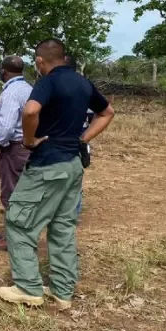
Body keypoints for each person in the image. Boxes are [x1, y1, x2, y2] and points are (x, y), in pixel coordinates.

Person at [0, 39, 114, 311]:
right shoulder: (83, 82)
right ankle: (62, 292)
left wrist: (29, 140)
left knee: (19, 223)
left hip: (47, 164)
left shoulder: (47, 82)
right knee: (62, 227)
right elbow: (107, 112)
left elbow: (30, 110)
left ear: (40, 61)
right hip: (73, 164)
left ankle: (28, 288)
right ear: (65, 57)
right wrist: (81, 139)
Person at [0, 56, 33, 251]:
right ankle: (24, 232)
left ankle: (12, 238)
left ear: (3, 71)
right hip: (28, 148)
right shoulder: (29, 89)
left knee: (11, 193)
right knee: (25, 192)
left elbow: (5, 127)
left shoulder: (11, 93)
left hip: (13, 149)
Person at [65, 55, 93, 217]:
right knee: (75, 178)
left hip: (65, 140)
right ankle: (72, 213)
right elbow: (96, 115)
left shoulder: (54, 85)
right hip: (80, 139)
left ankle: (69, 214)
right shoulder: (85, 86)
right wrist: (85, 138)